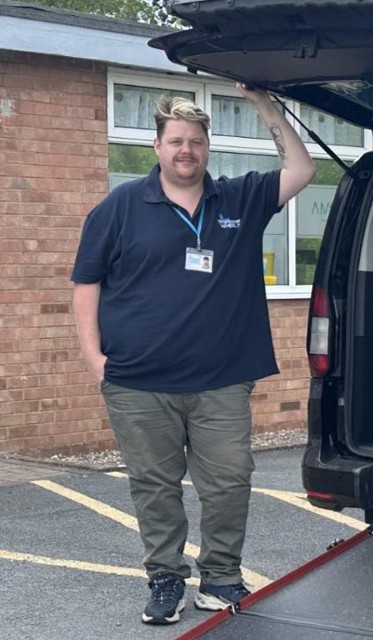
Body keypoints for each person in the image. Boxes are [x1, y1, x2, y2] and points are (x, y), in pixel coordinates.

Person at [71, 85, 316, 625]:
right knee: (154, 487)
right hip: (138, 380)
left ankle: (222, 575)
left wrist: (263, 106)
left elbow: (301, 170)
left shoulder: (240, 199)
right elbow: (85, 285)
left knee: (229, 480)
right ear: (156, 146)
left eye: (197, 142)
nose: (187, 151)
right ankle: (164, 578)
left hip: (222, 379)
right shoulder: (120, 207)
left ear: (209, 149)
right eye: (176, 141)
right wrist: (96, 360)